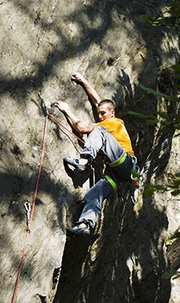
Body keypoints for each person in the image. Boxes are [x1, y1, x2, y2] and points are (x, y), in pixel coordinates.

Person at [54, 72, 138, 236]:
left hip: (126, 162)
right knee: (94, 194)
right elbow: (97, 100)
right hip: (119, 174)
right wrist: (83, 80)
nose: (100, 116)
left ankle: (83, 162)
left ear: (112, 113)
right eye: (99, 113)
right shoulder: (109, 120)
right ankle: (86, 224)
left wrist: (66, 110)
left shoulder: (113, 123)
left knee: (99, 130)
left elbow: (82, 128)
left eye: (103, 114)